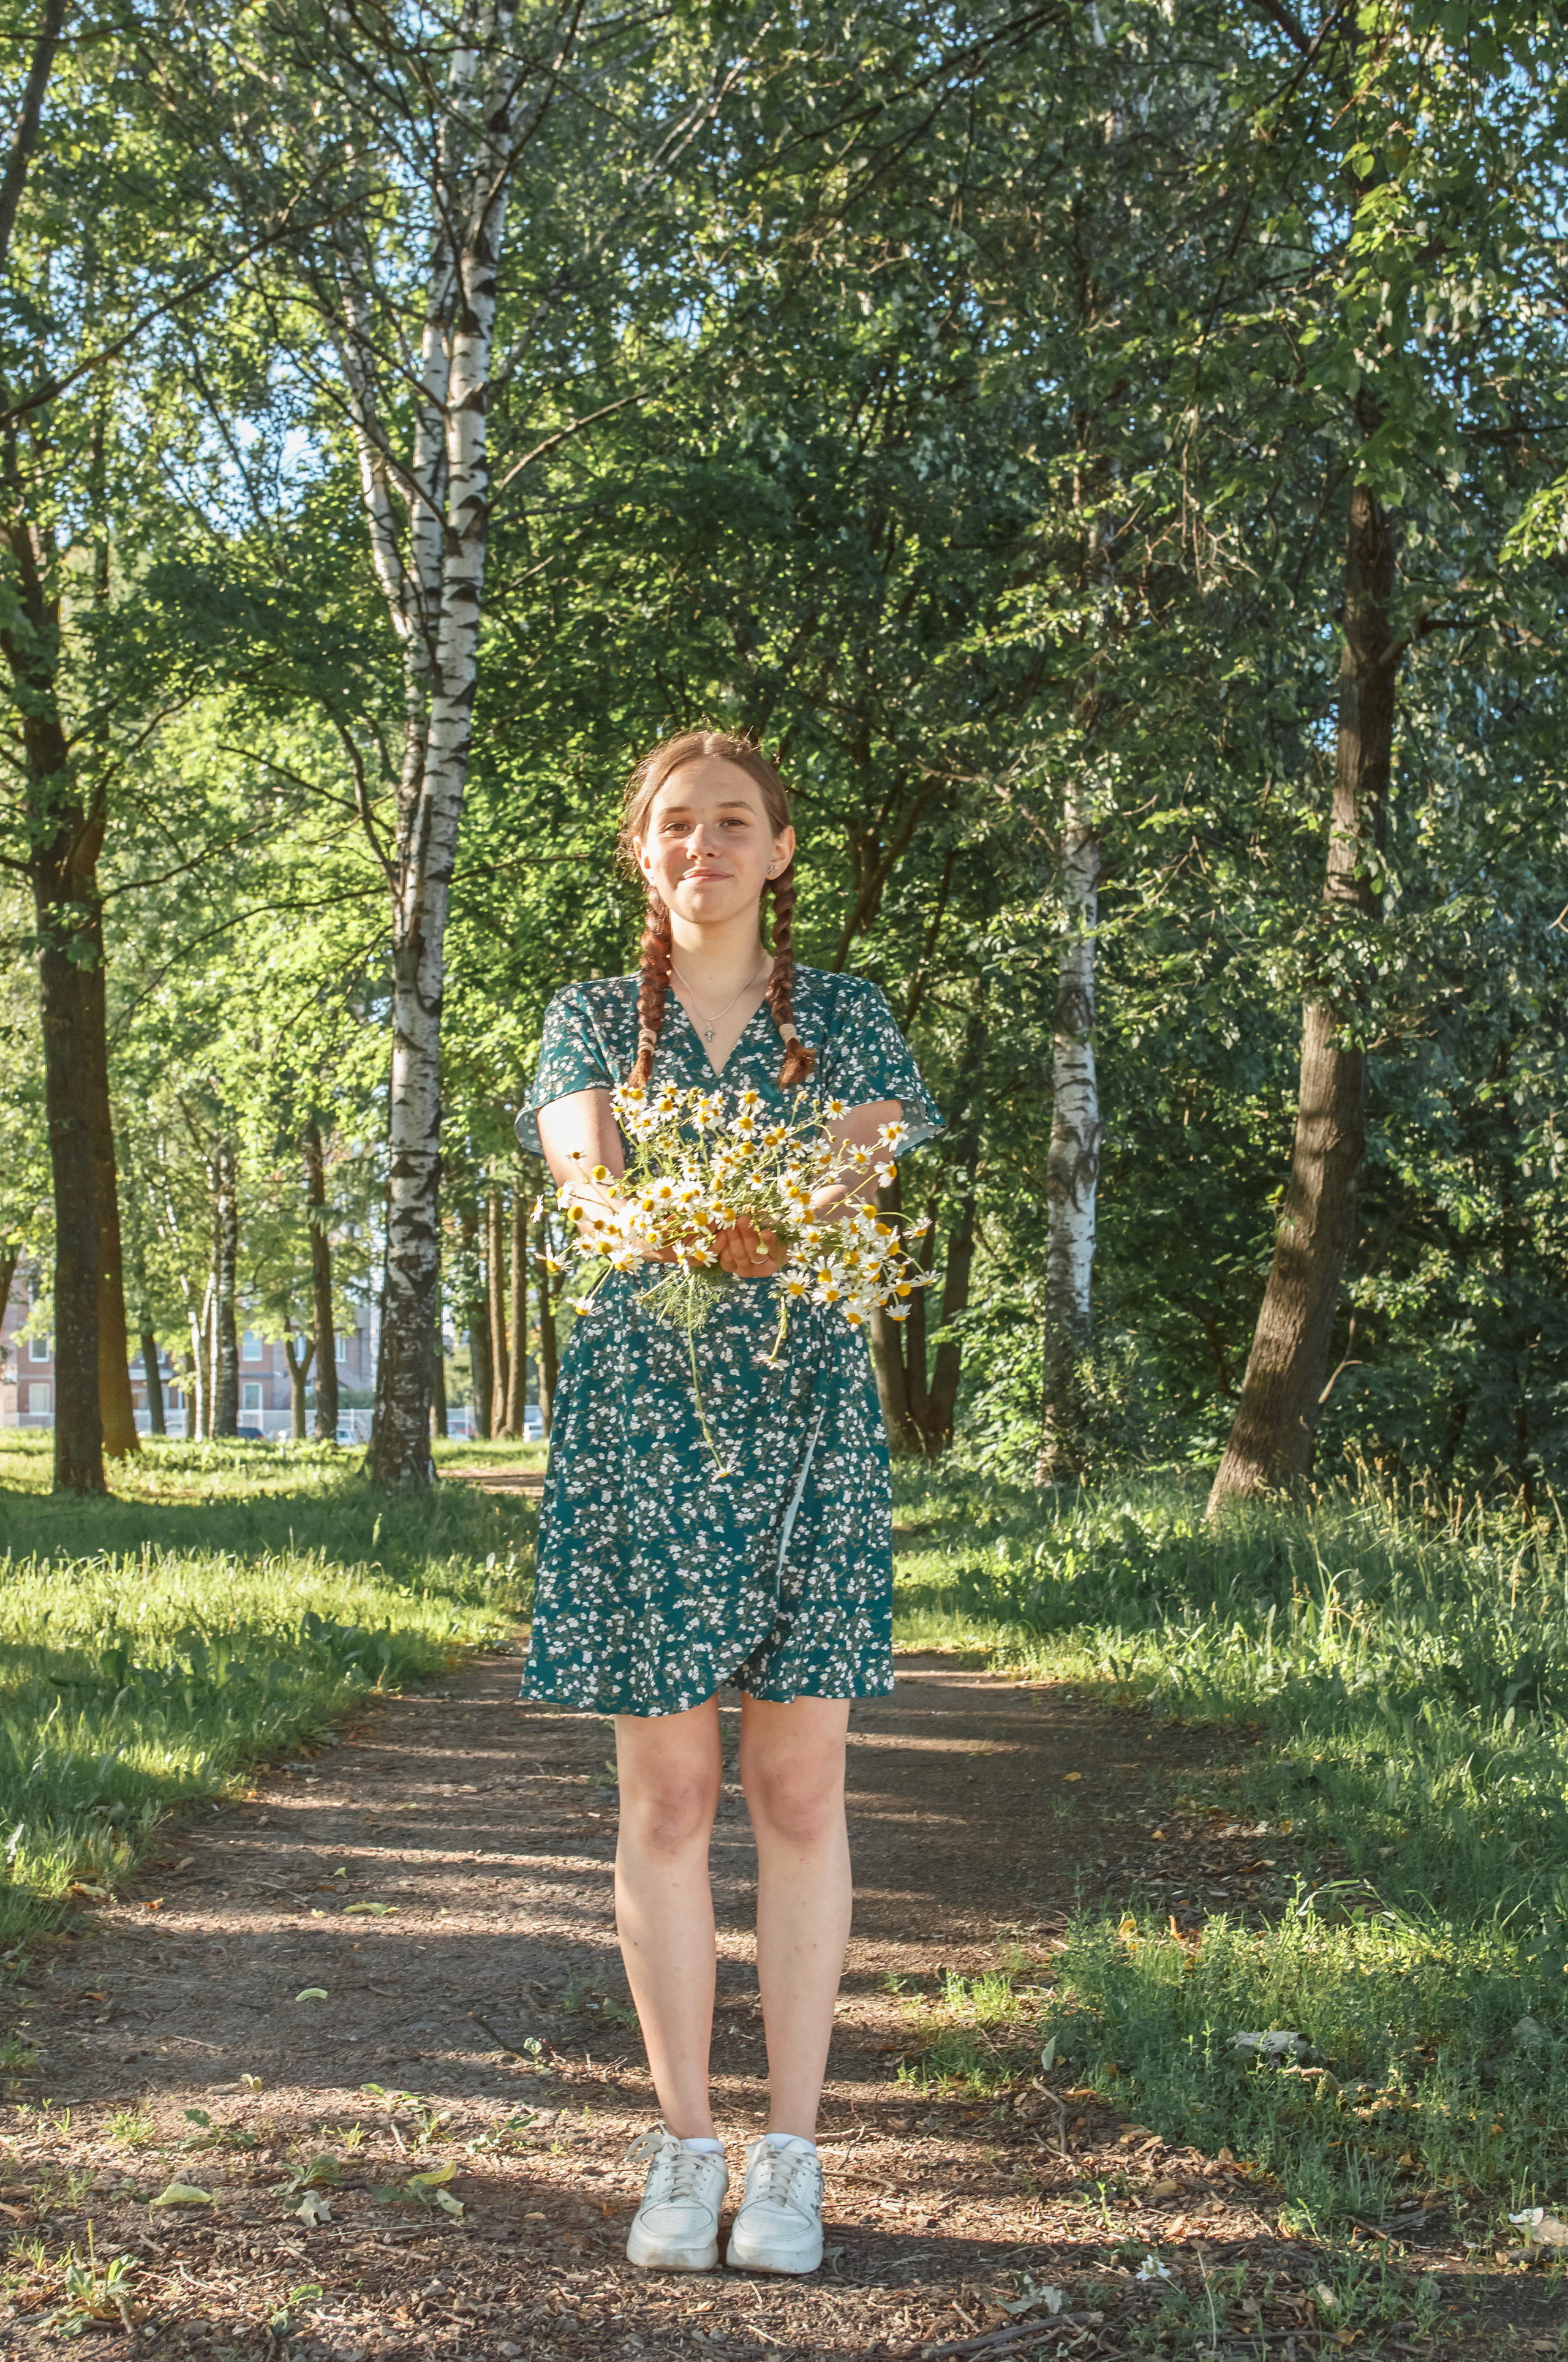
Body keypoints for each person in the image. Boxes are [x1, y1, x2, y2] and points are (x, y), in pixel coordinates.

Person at [515, 729, 941, 2276]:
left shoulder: (848, 1021)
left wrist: (755, 1214)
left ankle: (794, 2156)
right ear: (645, 850)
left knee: (800, 1793)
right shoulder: (585, 1025)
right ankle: (684, 2142)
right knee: (668, 1800)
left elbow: (850, 1175)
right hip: (640, 1434)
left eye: (733, 821)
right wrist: (669, 1218)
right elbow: (588, 1182)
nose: (703, 844)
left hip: (807, 1432)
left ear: (777, 850)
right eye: (676, 822)